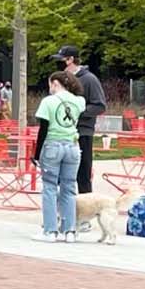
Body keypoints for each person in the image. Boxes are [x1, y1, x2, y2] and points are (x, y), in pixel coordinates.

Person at [34, 70, 83, 244]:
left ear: (55, 83)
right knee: (69, 188)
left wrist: (37, 153)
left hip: (52, 145)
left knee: (49, 187)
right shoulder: (79, 101)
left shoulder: (48, 102)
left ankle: (50, 230)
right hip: (73, 145)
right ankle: (70, 230)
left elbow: (43, 129)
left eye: (50, 85)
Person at [55, 47, 105, 198]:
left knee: (83, 174)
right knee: (61, 176)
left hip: (82, 132)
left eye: (61, 60)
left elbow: (99, 105)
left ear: (70, 60)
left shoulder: (89, 79)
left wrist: (77, 112)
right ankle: (64, 210)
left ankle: (86, 210)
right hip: (62, 131)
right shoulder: (62, 80)